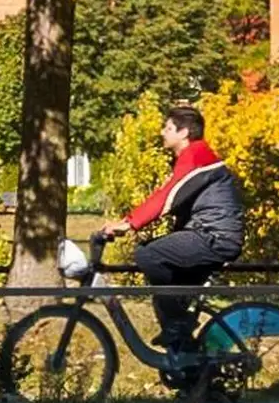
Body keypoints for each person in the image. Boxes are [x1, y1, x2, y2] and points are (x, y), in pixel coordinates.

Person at [103, 104, 246, 358]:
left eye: (168, 127)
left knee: (148, 255)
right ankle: (189, 366)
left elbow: (168, 196)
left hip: (215, 237)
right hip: (207, 234)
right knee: (165, 298)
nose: (162, 132)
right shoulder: (192, 156)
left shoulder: (197, 155)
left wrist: (129, 222)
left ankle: (181, 324)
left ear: (184, 132)